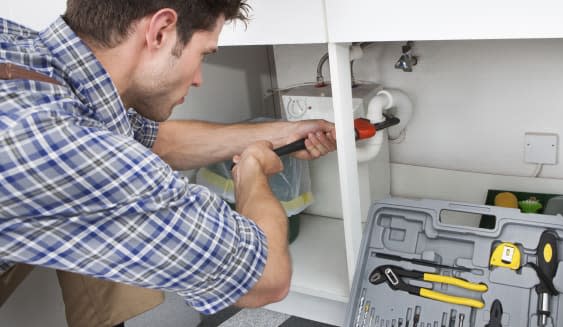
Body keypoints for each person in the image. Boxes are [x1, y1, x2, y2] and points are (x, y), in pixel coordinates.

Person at [0, 1, 337, 326]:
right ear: (160, 31)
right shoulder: (56, 142)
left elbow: (154, 140)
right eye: (203, 54)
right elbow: (266, 277)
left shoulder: (25, 50)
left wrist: (284, 133)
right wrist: (251, 173)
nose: (198, 79)